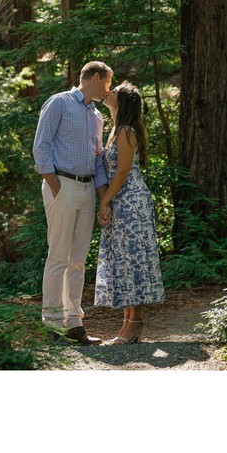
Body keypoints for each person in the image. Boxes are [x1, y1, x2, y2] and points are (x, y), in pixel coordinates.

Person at [32, 61, 112, 345]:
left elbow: (98, 160)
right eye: (106, 83)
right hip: (61, 185)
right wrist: (56, 187)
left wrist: (103, 199)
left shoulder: (97, 117)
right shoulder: (59, 103)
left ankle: (74, 324)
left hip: (88, 188)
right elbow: (40, 148)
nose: (108, 89)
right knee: (58, 257)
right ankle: (52, 325)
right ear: (94, 77)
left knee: (77, 260)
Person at [94, 81, 165, 344]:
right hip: (120, 200)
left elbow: (123, 172)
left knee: (132, 259)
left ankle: (135, 324)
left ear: (122, 101)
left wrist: (105, 202)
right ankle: (127, 324)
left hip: (131, 202)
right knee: (124, 261)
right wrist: (107, 201)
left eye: (113, 92)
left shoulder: (126, 131)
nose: (107, 92)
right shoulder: (116, 130)